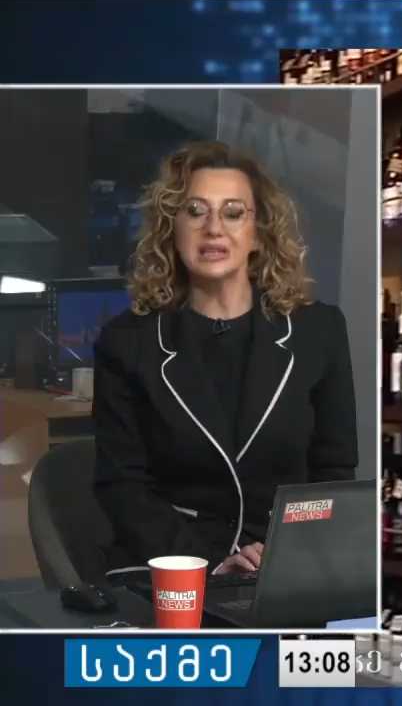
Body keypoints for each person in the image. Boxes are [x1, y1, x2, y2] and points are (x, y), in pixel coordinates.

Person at [94, 140, 357, 577]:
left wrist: (285, 555)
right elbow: (122, 486)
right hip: (171, 564)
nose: (214, 228)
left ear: (259, 233)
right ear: (172, 229)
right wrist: (209, 563)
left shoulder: (320, 331)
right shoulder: (126, 342)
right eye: (195, 211)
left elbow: (333, 473)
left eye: (233, 213)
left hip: (282, 567)